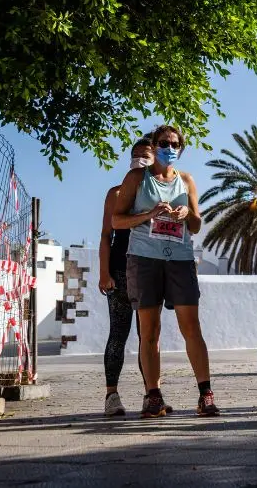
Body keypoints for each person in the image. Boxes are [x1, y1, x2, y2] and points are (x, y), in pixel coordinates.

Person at [112, 125, 219, 418]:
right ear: (154, 145)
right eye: (163, 143)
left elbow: (197, 225)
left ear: (181, 148)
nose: (169, 148)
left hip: (180, 259)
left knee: (191, 327)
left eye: (174, 144)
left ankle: (205, 395)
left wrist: (187, 214)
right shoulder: (137, 178)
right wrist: (149, 214)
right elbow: (117, 220)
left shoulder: (186, 180)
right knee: (150, 330)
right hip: (144, 258)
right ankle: (154, 396)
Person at [99, 136, 176, 416]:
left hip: (149, 269)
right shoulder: (117, 193)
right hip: (120, 270)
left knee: (150, 335)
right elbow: (106, 235)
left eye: (148, 155)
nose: (142, 160)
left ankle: (151, 394)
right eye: (137, 156)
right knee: (118, 333)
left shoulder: (162, 193)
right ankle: (111, 395)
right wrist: (103, 272)